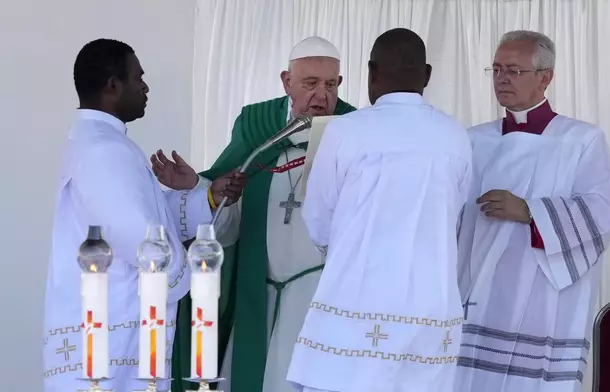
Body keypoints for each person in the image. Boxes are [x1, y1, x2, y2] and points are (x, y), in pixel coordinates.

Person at [156, 36, 357, 392]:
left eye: (330, 84)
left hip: (320, 292)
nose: (322, 96)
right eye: (310, 84)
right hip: (258, 287)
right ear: (286, 82)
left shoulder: (353, 129)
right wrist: (199, 184)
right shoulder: (256, 124)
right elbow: (226, 188)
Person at [286, 28, 473, 392]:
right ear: (427, 75)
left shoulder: (346, 131)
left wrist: (344, 252)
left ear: (371, 73)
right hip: (430, 308)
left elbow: (318, 218)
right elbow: (457, 215)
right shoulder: (455, 136)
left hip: (356, 303)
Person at [42, 39, 222, 392]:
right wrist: (187, 271)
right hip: (114, 335)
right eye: (138, 77)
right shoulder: (104, 150)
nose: (145, 87)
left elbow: (147, 218)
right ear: (113, 85)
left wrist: (210, 196)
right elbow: (140, 239)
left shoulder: (100, 142)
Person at [455, 30, 610, 392]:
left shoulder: (581, 141)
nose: (501, 79)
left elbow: (599, 213)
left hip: (543, 296)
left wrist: (529, 211)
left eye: (513, 70)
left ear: (546, 77)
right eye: (496, 69)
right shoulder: (472, 140)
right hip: (478, 288)